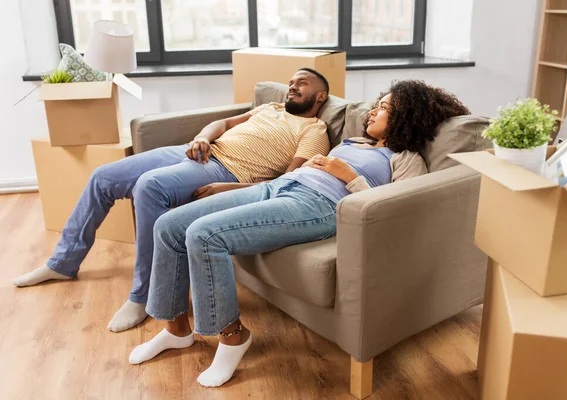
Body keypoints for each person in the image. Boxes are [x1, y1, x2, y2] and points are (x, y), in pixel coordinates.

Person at [128, 80, 471, 388]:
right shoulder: (352, 140)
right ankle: (176, 331)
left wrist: (347, 174)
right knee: (169, 226)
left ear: (405, 118)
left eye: (385, 108)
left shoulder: (405, 157)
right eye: (378, 103)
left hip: (319, 205)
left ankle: (233, 337)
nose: (374, 110)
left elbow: (398, 209)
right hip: (282, 188)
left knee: (204, 235)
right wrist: (245, 185)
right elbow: (295, 173)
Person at [13, 68, 331, 333]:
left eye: (302, 83)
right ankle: (62, 263)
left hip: (228, 172)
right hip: (198, 151)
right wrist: (203, 137)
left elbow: (286, 183)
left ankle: (144, 296)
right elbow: (223, 125)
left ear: (320, 97)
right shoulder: (269, 108)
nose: (292, 87)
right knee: (104, 176)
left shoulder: (315, 131)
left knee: (149, 187)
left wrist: (230, 189)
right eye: (291, 83)